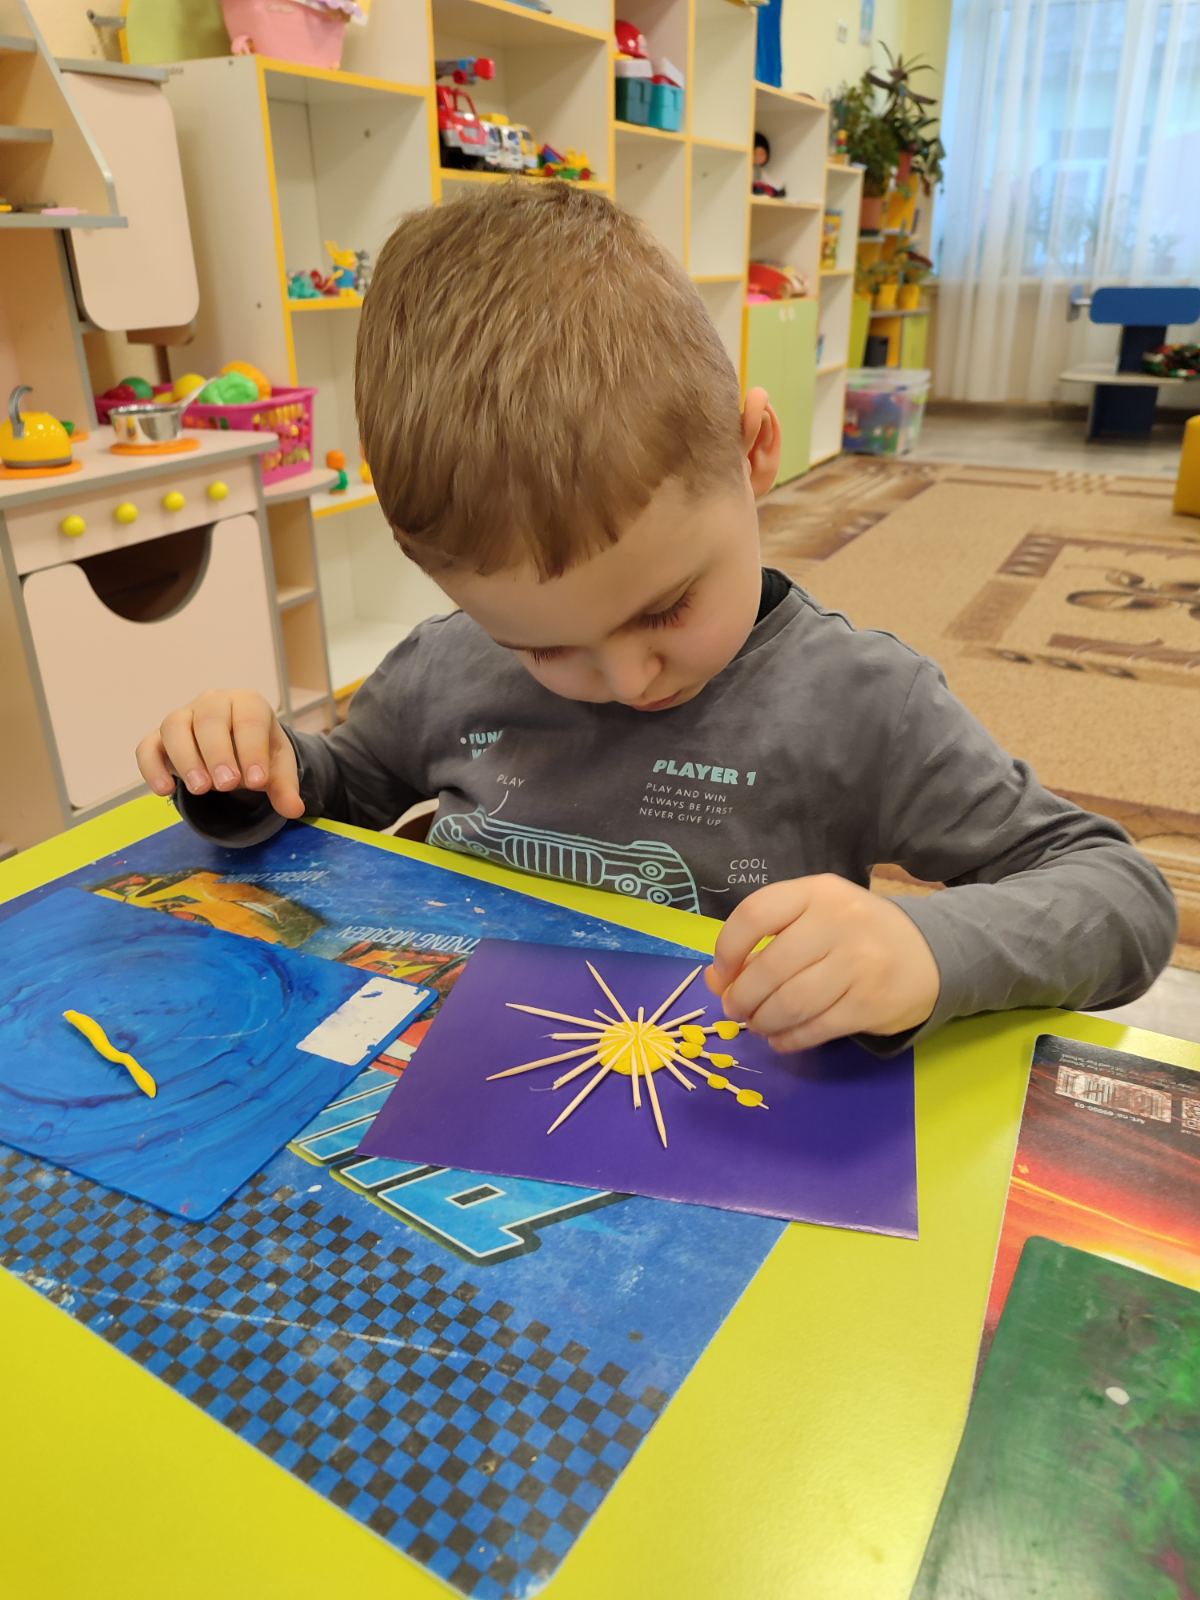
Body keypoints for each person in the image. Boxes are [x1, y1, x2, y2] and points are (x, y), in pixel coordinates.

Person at [136, 183, 1176, 1054]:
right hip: (465, 1079)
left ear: (753, 452)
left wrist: (927, 949)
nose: (631, 679)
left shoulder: (863, 704)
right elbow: (341, 792)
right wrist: (249, 770)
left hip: (730, 1125)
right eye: (542, 645)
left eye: (668, 607)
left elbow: (1121, 896)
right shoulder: (443, 668)